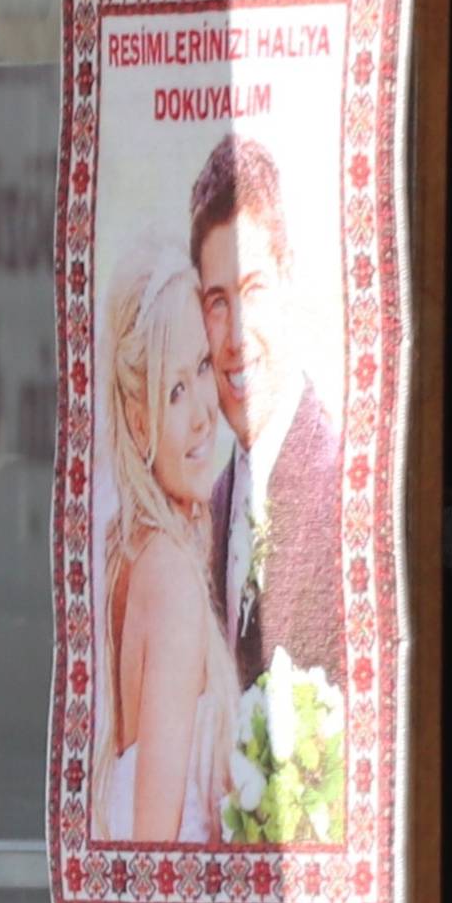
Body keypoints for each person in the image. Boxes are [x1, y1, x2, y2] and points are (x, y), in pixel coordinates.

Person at [189, 133, 345, 690]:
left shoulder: (340, 487)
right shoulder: (206, 512)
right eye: (217, 302)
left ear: (289, 280)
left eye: (252, 292)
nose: (234, 337)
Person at [100, 251, 243, 844]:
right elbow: (153, 863)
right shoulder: (171, 583)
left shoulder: (133, 553)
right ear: (138, 421)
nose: (204, 414)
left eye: (204, 368)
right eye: (175, 390)